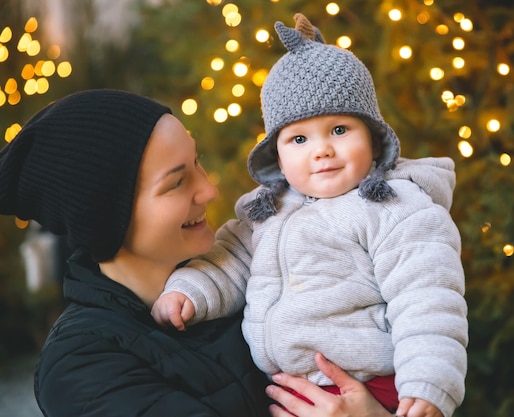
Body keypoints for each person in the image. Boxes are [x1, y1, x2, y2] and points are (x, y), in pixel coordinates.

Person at [152, 13, 468, 417]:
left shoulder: (394, 207)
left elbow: (428, 298)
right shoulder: (266, 212)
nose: (321, 150)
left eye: (339, 130)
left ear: (373, 139)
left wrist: (428, 384)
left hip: (377, 386)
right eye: (299, 139)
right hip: (293, 389)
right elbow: (227, 262)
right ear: (278, 159)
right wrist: (188, 291)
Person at [0, 89, 273, 416]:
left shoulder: (249, 267)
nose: (208, 190)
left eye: (196, 162)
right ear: (104, 219)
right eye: (176, 183)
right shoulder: (82, 366)